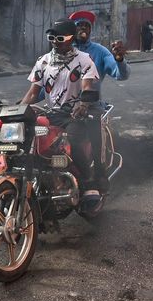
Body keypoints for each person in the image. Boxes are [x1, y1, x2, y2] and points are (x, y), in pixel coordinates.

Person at [20, 19, 101, 211]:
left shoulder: (84, 59)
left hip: (74, 114)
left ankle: (88, 183)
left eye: (60, 38)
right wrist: (17, 110)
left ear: (71, 39)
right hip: (51, 114)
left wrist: (83, 103)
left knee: (74, 139)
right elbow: (33, 93)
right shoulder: (43, 61)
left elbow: (87, 87)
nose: (55, 42)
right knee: (29, 135)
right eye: (51, 38)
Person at [68, 10, 129, 195]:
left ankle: (99, 175)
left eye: (87, 25)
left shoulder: (100, 52)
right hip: (65, 105)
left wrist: (119, 60)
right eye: (79, 25)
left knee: (94, 129)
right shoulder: (63, 51)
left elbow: (120, 74)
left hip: (91, 105)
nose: (83, 28)